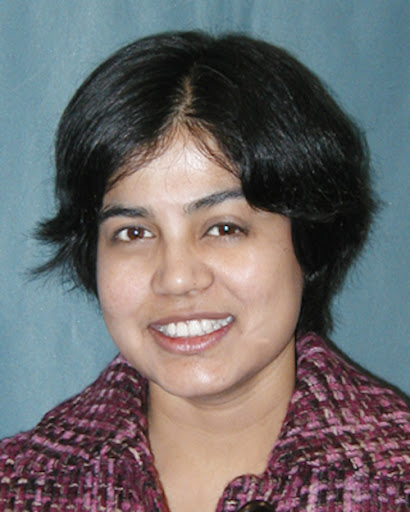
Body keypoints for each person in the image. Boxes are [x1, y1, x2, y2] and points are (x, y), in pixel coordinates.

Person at [0, 31, 408, 512]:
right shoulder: (20, 486)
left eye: (223, 228)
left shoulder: (394, 483)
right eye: (134, 232)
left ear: (309, 239)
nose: (176, 278)